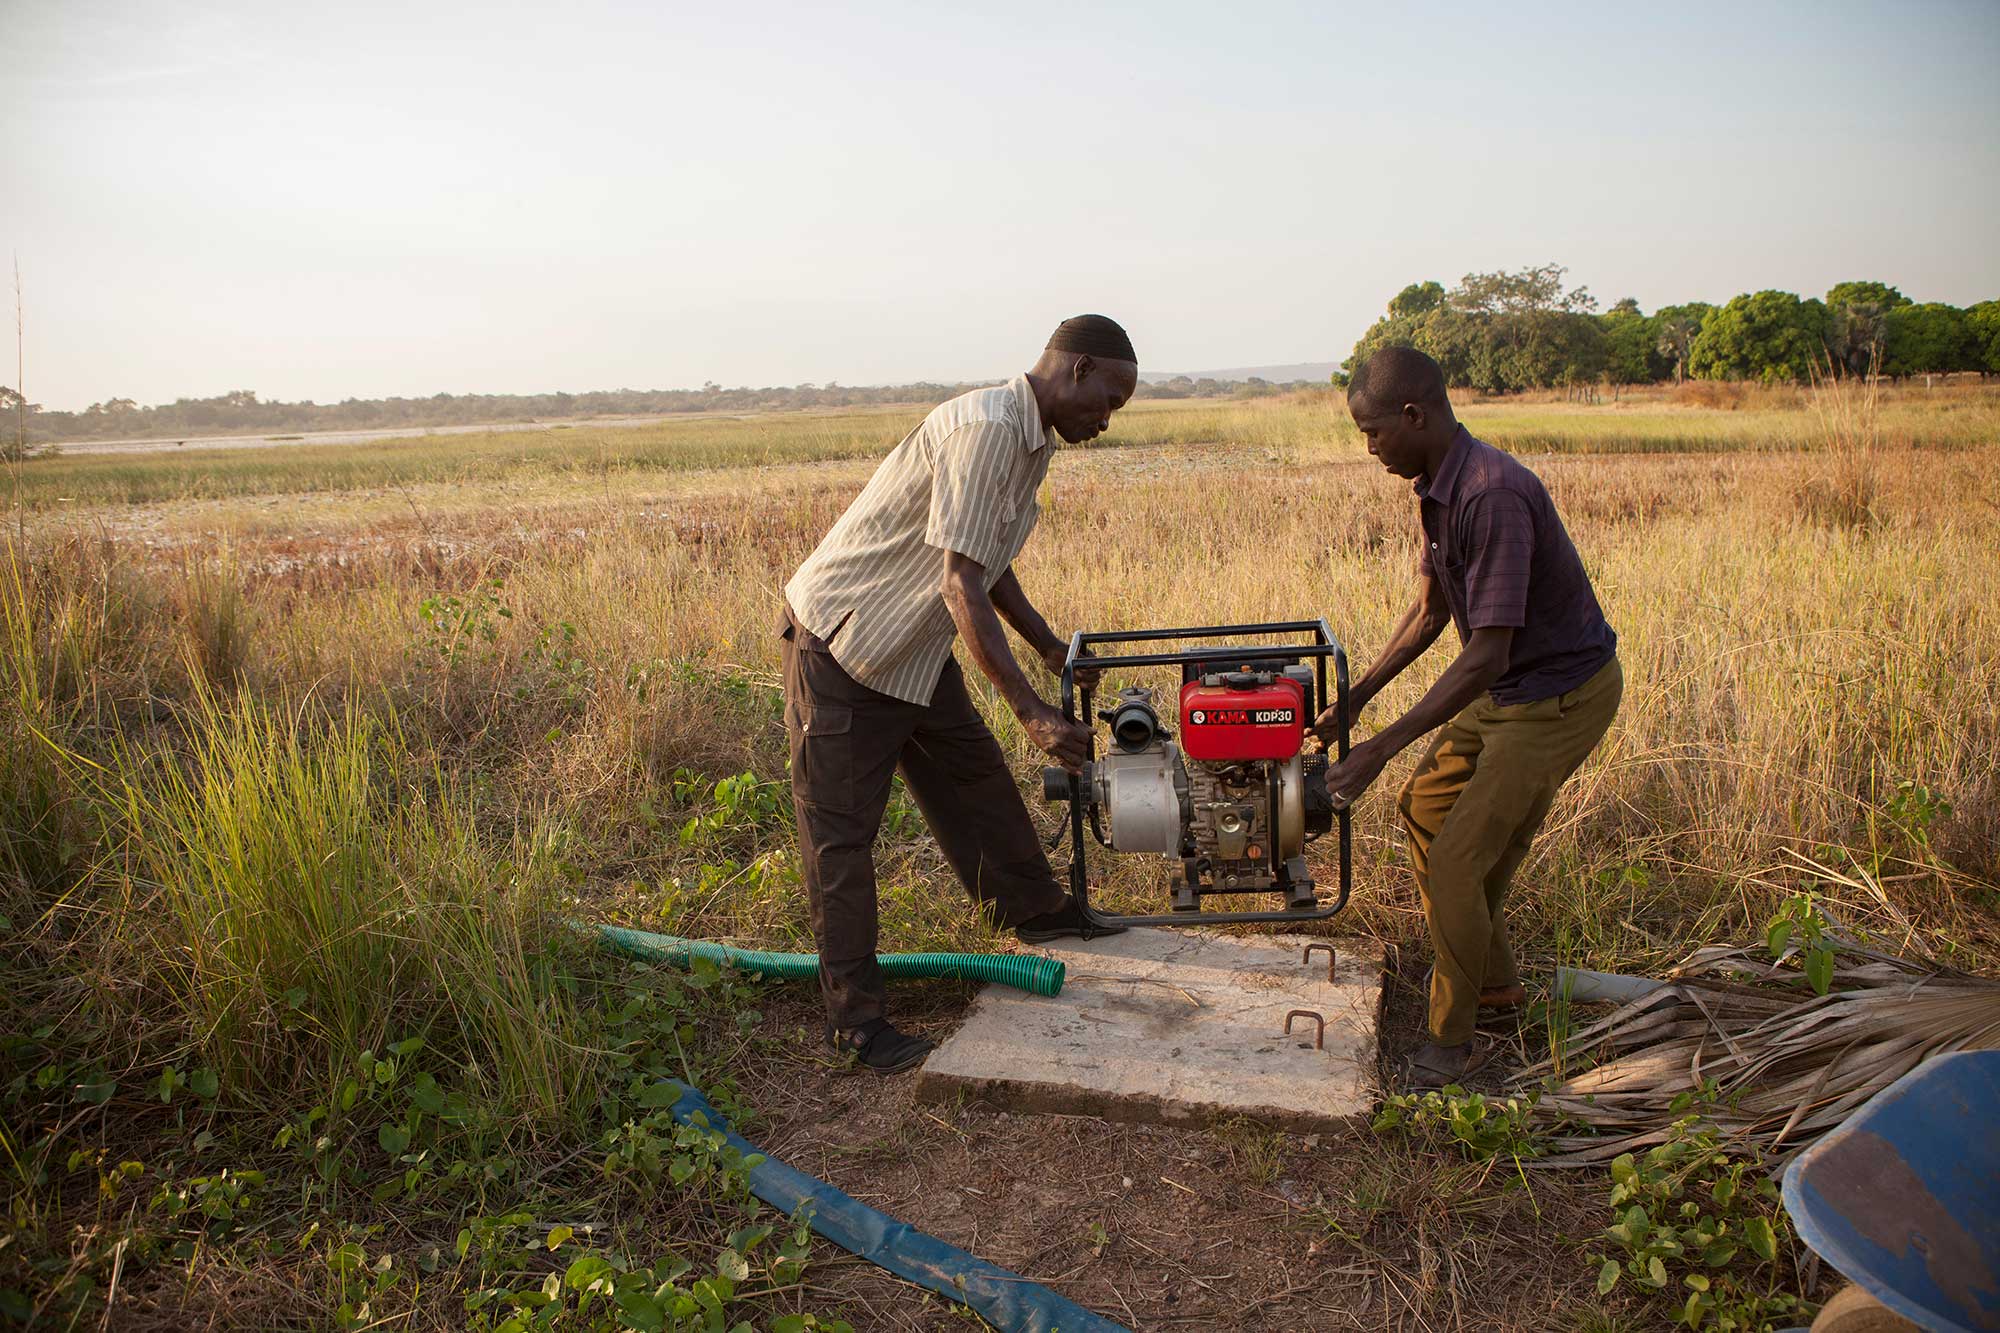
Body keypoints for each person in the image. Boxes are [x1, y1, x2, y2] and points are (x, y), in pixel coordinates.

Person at [779, 315, 1138, 1073]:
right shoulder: (987, 429)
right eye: (1108, 399)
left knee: (973, 778)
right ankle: (856, 1025)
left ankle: (1036, 913)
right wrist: (1030, 711)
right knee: (841, 838)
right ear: (1075, 369)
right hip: (846, 644)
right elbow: (959, 580)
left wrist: (1044, 644)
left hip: (912, 643)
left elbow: (988, 558)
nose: (1107, 420)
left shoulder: (1029, 438)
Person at [1317, 346, 1621, 1089]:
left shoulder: (1491, 495)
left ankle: (1453, 1043)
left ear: (1413, 415)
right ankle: (1495, 981)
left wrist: (1382, 745)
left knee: (1457, 859)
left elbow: (1485, 655)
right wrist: (1358, 698)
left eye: (1373, 431)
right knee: (1425, 809)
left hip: (1557, 696)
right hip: (1509, 687)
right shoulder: (1436, 485)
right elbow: (1430, 612)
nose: (1369, 448)